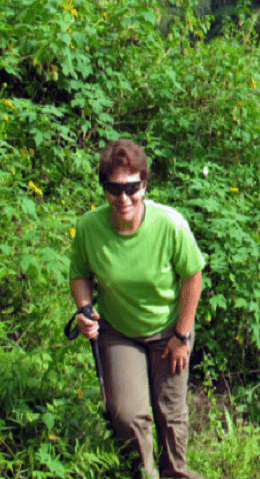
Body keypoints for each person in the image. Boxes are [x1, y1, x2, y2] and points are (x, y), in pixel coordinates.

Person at [69, 139, 205, 479]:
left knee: (170, 412)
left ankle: (176, 472)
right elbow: (80, 274)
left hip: (168, 330)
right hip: (118, 332)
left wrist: (181, 334)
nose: (124, 198)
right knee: (127, 414)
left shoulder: (169, 224)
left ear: (144, 185)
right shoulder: (89, 227)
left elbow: (192, 278)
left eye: (132, 187)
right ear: (104, 188)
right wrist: (84, 309)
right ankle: (144, 473)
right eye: (114, 189)